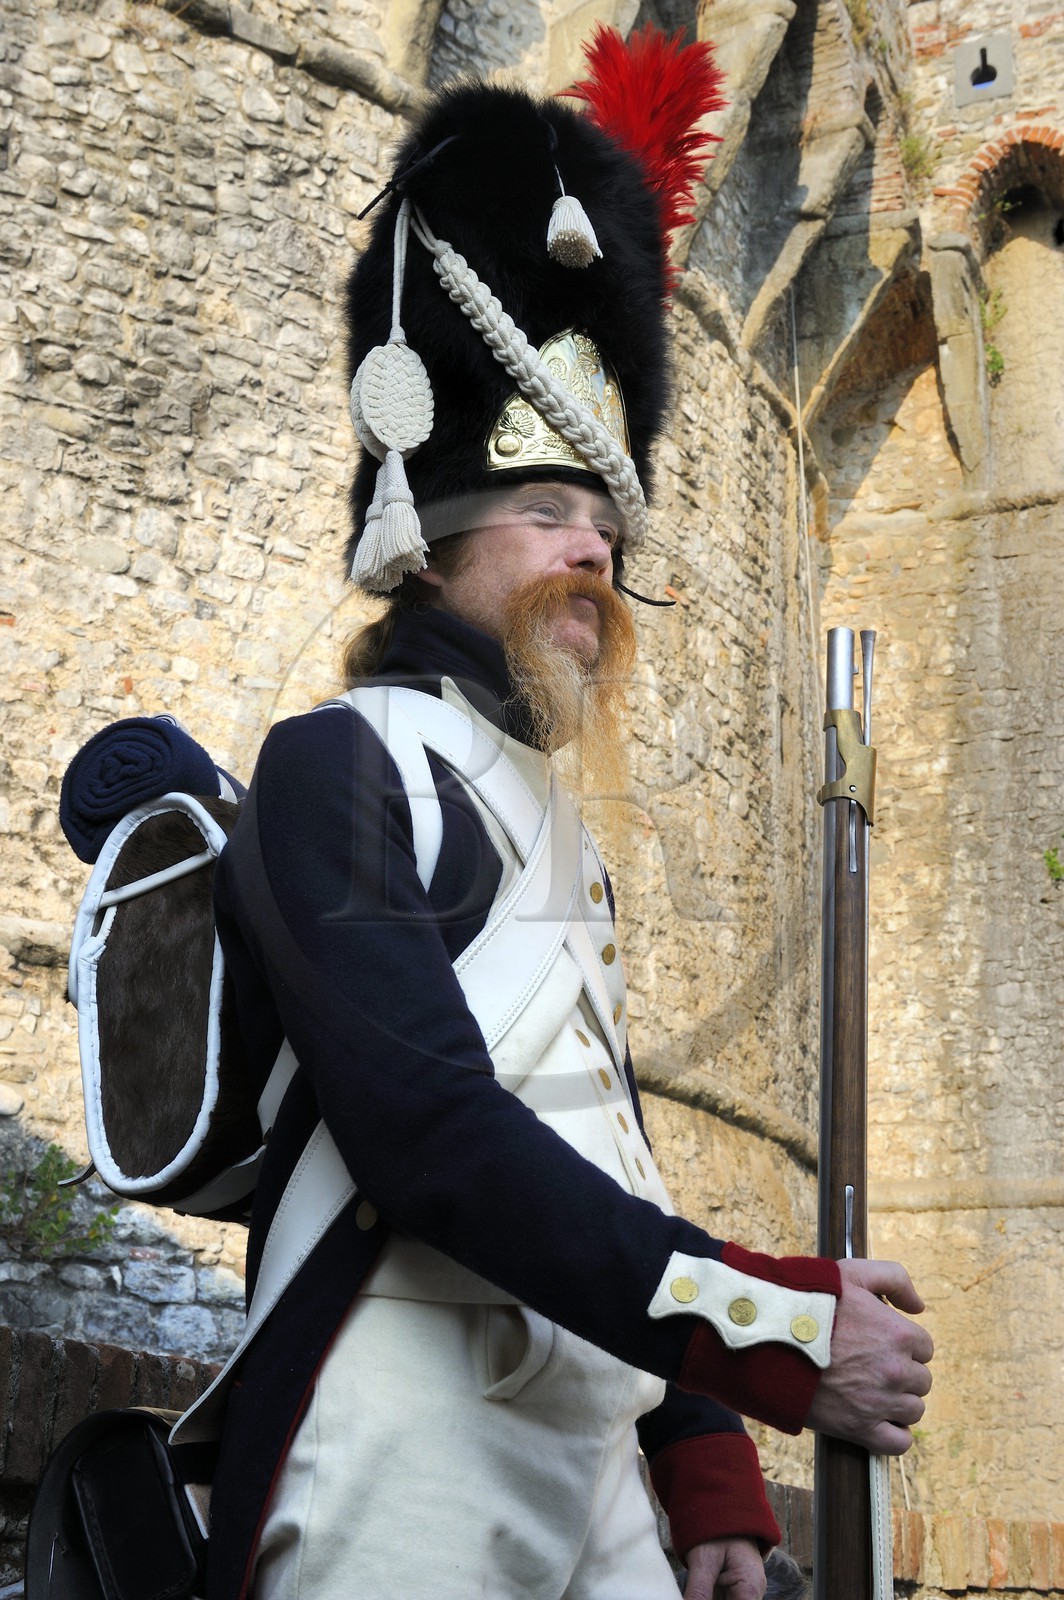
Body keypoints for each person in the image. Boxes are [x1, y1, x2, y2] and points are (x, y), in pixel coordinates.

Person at [205, 30, 933, 1600]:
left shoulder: (554, 815)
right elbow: (441, 1145)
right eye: (546, 513)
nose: (590, 556)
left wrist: (705, 1463)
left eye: (606, 525)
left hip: (585, 1441)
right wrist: (785, 1337)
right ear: (430, 541)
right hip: (398, 1434)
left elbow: (598, 1146)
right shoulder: (337, 765)